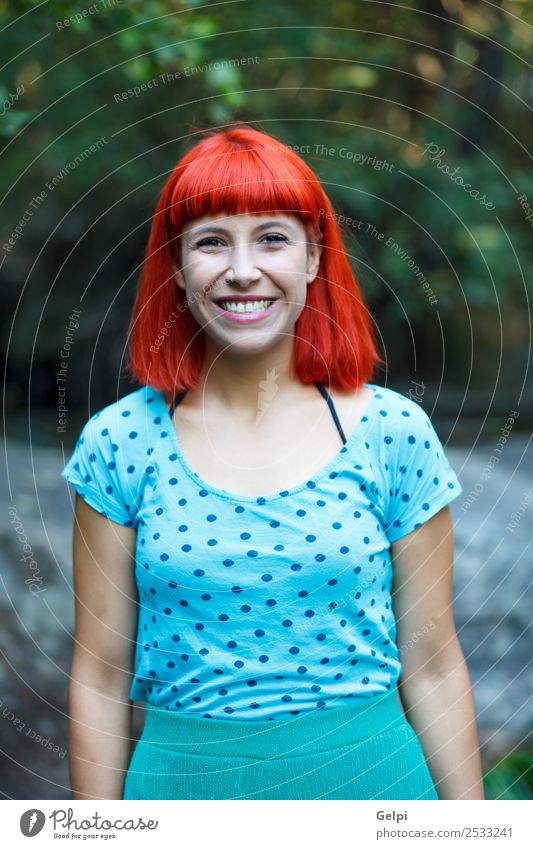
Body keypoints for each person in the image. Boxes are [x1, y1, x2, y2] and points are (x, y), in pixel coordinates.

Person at [61, 124, 485, 801]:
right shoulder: (117, 444)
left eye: (272, 237)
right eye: (210, 241)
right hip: (180, 790)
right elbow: (99, 675)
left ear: (313, 257)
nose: (241, 269)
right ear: (176, 266)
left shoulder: (392, 432)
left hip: (371, 787)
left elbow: (432, 666)